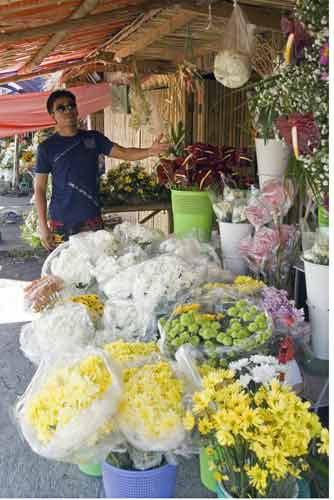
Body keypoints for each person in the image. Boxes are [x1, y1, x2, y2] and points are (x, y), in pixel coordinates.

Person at [34, 89, 170, 251]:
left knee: (95, 267)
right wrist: (43, 226)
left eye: (71, 106)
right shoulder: (47, 148)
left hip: (91, 217)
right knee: (63, 268)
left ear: (77, 109)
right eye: (61, 108)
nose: (68, 110)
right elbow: (40, 188)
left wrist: (149, 151)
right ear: (52, 115)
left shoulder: (93, 138)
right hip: (61, 220)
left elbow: (124, 153)